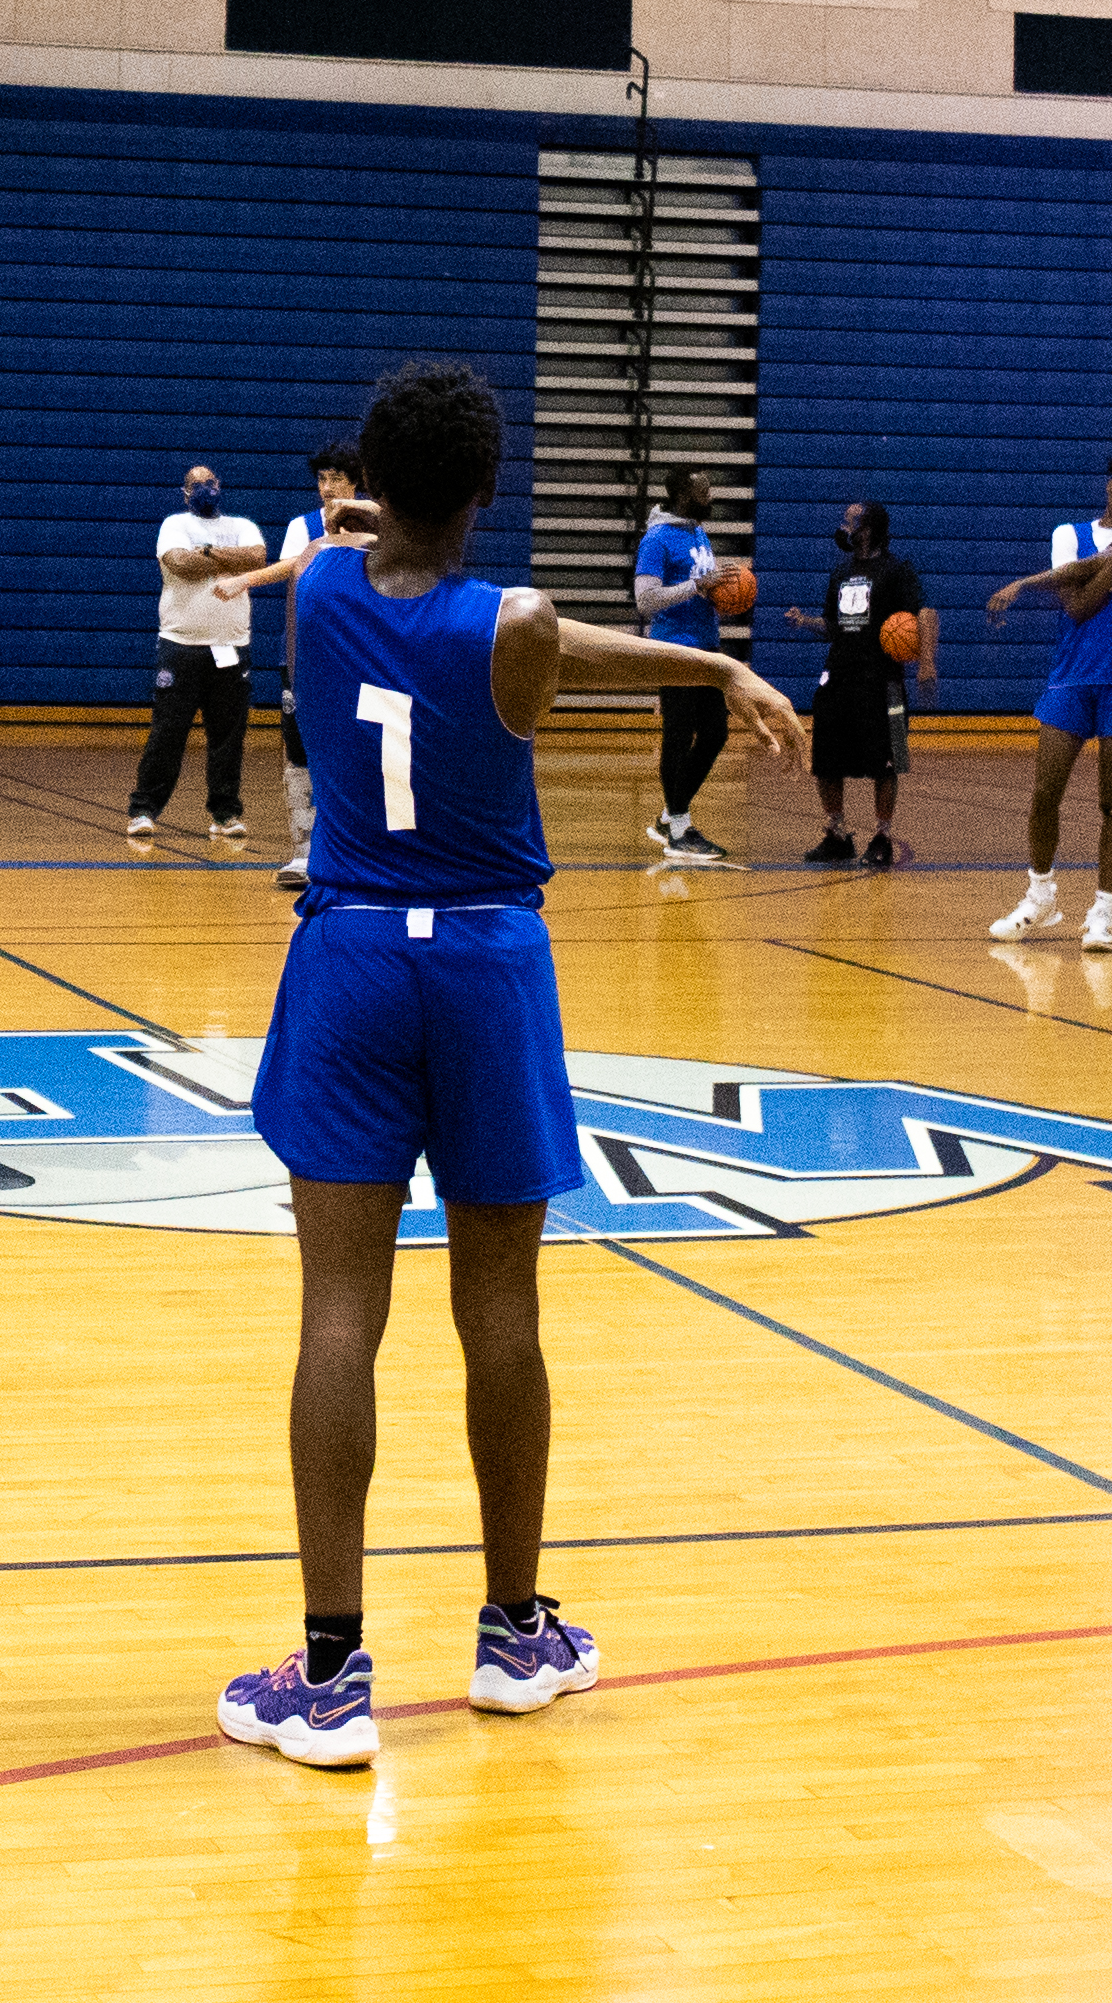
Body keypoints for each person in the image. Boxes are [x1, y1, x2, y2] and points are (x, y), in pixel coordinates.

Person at [219, 360, 801, 1770]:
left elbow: (368, 532)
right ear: (491, 489)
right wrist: (721, 659)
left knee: (339, 1310)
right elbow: (579, 642)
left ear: (364, 482)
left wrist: (362, 498)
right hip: (486, 966)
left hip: (351, 956)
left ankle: (330, 1674)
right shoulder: (519, 627)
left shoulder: (320, 587)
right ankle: (515, 1633)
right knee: (502, 1307)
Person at [983, 453, 1112, 952]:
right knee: (1046, 793)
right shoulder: (1067, 534)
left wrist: (1025, 583)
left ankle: (1102, 913)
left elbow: (1085, 596)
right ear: (1110, 487)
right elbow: (1076, 608)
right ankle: (1040, 897)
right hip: (1070, 679)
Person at [235, 442, 373, 893]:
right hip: (306, 655)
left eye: (336, 478)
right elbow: (297, 564)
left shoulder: (380, 522)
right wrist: (250, 578)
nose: (327, 487)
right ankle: (303, 849)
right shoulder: (304, 526)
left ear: (356, 480)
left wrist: (246, 578)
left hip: (362, 656)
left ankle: (359, 845)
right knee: (299, 750)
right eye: (321, 479)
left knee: (358, 747)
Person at [132, 464, 270, 849]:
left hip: (231, 646)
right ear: (185, 491)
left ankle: (225, 814)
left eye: (209, 482)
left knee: (228, 736)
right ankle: (143, 809)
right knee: (168, 732)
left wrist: (207, 552)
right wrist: (229, 559)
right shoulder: (174, 524)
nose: (204, 489)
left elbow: (258, 559)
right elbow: (181, 564)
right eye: (196, 484)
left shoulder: (243, 524)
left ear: (219, 486)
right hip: (180, 646)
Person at [801, 501, 929, 868]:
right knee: (825, 760)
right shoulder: (840, 571)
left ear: (868, 528)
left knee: (886, 763)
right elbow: (831, 625)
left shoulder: (898, 569)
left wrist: (926, 663)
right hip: (839, 674)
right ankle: (837, 833)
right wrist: (805, 622)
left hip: (883, 680)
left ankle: (883, 836)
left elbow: (921, 614)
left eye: (850, 520)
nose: (843, 525)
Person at [632, 464, 744, 868]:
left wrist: (725, 594)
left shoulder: (697, 531)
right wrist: (697, 586)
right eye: (703, 489)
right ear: (682, 494)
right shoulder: (656, 539)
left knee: (715, 734)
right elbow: (645, 600)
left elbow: (701, 589)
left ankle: (668, 816)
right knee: (678, 737)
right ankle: (680, 828)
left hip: (706, 648)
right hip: (674, 649)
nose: (710, 494)